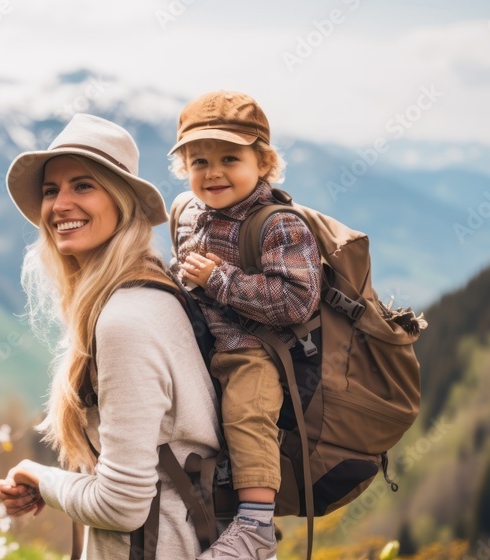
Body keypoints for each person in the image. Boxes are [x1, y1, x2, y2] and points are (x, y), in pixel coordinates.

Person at [0, 113, 222, 559]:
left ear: (123, 203)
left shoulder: (125, 322)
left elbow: (122, 506)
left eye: (83, 186)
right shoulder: (152, 289)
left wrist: (42, 478)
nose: (60, 204)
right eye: (50, 190)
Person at [169, 90, 322, 559]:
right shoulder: (188, 213)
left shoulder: (279, 225)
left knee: (247, 415)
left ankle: (255, 530)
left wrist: (219, 279)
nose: (212, 173)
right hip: (198, 346)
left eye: (229, 158)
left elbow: (297, 301)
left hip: (253, 350)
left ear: (263, 163)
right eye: (199, 162)